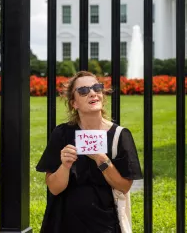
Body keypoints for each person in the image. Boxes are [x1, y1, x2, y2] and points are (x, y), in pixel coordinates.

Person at [36, 71, 143, 232]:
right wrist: (65, 166)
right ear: (74, 103)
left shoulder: (120, 135)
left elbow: (124, 187)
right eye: (84, 91)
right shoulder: (62, 133)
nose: (92, 93)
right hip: (64, 222)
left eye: (97, 88)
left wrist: (102, 160)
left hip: (105, 224)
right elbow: (54, 188)